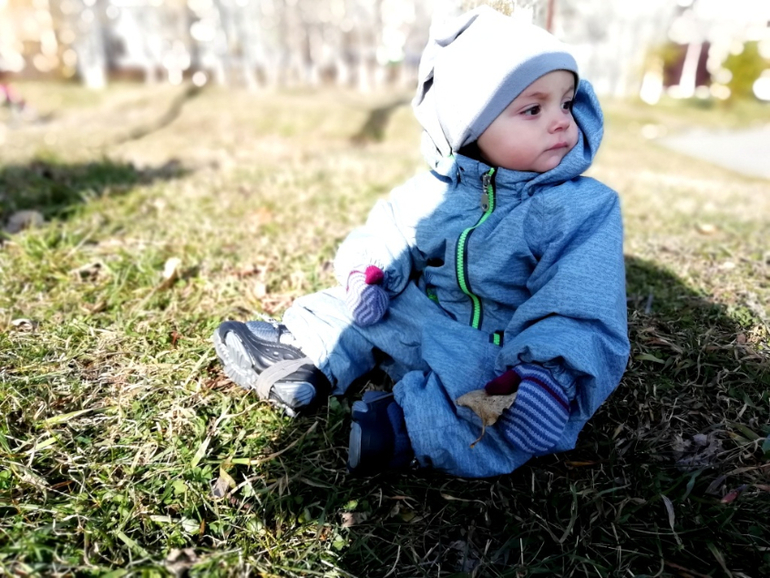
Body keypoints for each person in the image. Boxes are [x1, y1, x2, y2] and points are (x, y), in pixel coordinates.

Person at [213, 5, 630, 478]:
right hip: (424, 318)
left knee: (505, 409)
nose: (560, 122)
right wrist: (371, 272)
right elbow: (388, 230)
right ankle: (305, 356)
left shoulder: (581, 208)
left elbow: (581, 303)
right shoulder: (440, 189)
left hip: (501, 352)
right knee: (361, 309)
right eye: (533, 109)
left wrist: (551, 375)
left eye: (566, 103)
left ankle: (407, 429)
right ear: (469, 125)